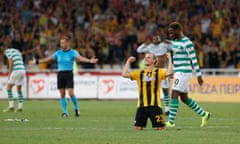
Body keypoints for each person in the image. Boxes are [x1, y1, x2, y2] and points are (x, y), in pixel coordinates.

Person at [29, 36, 98, 117]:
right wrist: (37, 61)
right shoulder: (58, 53)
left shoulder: (73, 52)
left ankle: (76, 109)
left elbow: (80, 58)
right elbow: (48, 59)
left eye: (63, 43)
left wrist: (89, 60)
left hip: (69, 74)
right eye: (61, 43)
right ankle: (65, 112)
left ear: (68, 43)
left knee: (71, 93)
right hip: (60, 74)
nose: (61, 44)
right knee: (62, 94)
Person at [165, 22, 210, 127]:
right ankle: (205, 114)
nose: (170, 35)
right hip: (178, 72)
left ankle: (171, 122)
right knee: (184, 98)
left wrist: (199, 75)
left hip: (184, 72)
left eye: (172, 33)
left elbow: (194, 59)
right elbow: (173, 46)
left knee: (174, 93)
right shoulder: (175, 42)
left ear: (178, 31)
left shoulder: (187, 43)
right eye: (169, 33)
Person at [122, 52, 172, 130]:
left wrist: (169, 59)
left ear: (154, 60)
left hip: (155, 106)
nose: (146, 58)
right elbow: (124, 74)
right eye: (145, 57)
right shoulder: (140, 73)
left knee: (161, 128)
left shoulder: (159, 72)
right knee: (138, 128)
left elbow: (170, 73)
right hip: (141, 106)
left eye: (148, 57)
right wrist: (128, 62)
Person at [136, 35, 172, 115]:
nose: (155, 40)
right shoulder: (150, 47)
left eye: (157, 38)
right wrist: (144, 44)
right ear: (152, 40)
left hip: (162, 70)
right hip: (152, 71)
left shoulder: (164, 45)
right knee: (151, 90)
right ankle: (152, 107)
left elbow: (175, 48)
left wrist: (170, 42)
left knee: (165, 90)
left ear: (160, 39)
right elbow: (138, 50)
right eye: (154, 39)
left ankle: (167, 109)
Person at [1, 44, 26, 112]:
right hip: (23, 70)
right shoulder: (16, 51)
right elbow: (21, 57)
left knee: (8, 88)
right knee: (19, 89)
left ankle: (11, 106)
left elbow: (10, 61)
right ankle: (20, 107)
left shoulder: (8, 51)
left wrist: (9, 72)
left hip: (16, 70)